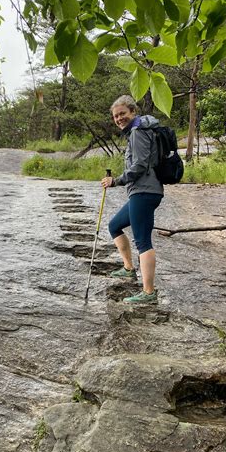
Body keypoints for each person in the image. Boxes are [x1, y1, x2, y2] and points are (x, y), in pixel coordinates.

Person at [101, 95, 163, 304]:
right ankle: (128, 268)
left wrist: (115, 181)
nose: (119, 119)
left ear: (133, 112)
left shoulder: (138, 133)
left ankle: (148, 293)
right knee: (114, 225)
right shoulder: (136, 132)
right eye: (116, 116)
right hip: (142, 192)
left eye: (122, 114)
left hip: (145, 192)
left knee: (143, 241)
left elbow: (138, 166)